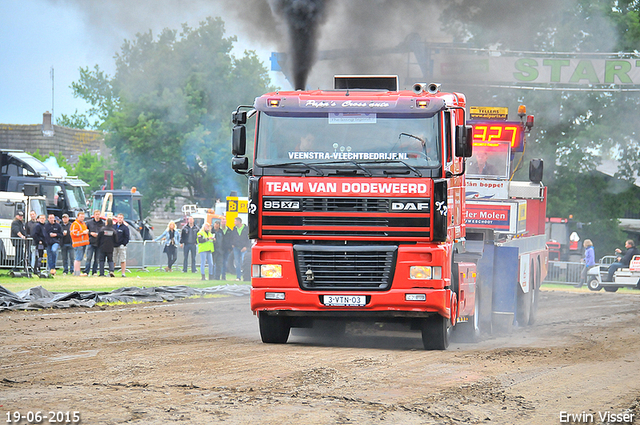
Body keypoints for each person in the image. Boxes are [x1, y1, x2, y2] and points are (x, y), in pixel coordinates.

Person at [84, 210, 104, 276]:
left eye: (98, 214)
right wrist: (91, 233)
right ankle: (86, 271)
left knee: (97, 259)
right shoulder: (89, 222)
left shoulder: (102, 223)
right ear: (94, 215)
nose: (97, 216)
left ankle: (94, 272)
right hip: (91, 242)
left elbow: (103, 232)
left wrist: (99, 235)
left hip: (99, 243)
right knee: (89, 257)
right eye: (96, 214)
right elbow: (86, 232)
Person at [70, 211, 90, 276]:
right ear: (77, 216)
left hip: (83, 243)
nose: (82, 218)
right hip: (78, 243)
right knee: (78, 258)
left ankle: (77, 272)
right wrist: (83, 232)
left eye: (83, 217)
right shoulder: (75, 224)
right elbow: (73, 233)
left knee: (80, 258)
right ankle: (77, 272)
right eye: (81, 216)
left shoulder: (83, 223)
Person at [231, 217, 250, 281]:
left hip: (244, 248)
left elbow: (248, 238)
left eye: (235, 221)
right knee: (237, 262)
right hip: (236, 248)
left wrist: (246, 247)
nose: (234, 222)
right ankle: (238, 277)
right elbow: (233, 237)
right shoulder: (234, 229)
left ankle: (245, 276)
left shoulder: (246, 229)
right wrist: (232, 244)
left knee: (243, 261)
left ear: (239, 222)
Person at [113, 213, 130, 277]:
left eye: (121, 218)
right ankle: (112, 272)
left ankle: (123, 273)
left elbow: (127, 237)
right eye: (119, 217)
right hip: (114, 245)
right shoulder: (113, 226)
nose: (119, 219)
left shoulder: (125, 228)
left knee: (122, 259)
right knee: (113, 259)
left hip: (121, 246)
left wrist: (123, 243)